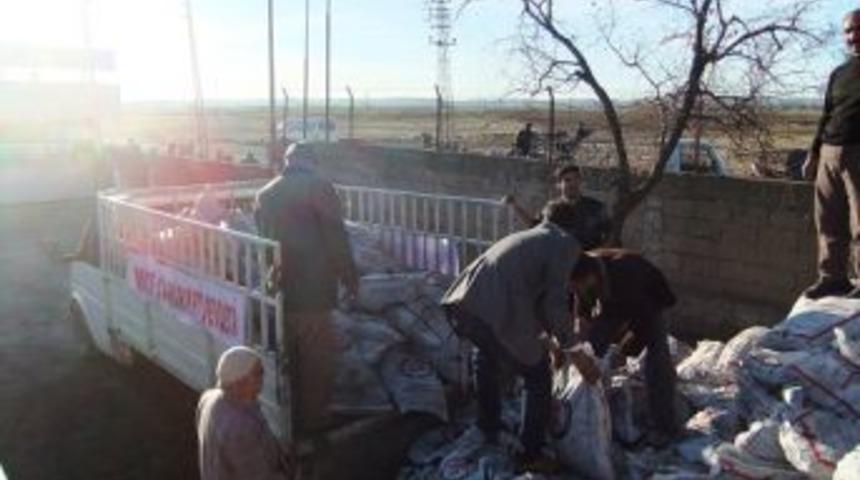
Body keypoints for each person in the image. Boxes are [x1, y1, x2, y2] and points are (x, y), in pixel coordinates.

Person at [441, 199, 601, 470]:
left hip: (462, 302)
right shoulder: (565, 244)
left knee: (488, 358)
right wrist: (576, 353)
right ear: (573, 227)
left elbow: (533, 303)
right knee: (538, 375)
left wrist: (548, 341)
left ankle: (487, 424)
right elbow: (554, 304)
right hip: (492, 309)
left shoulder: (531, 237)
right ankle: (530, 455)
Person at [255, 142, 358, 433]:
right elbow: (335, 237)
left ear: (288, 162)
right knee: (316, 365)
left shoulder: (265, 194)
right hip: (312, 292)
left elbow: (265, 246)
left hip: (278, 291)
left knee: (287, 361)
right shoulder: (320, 188)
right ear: (313, 162)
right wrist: (349, 277)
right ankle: (311, 428)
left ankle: (285, 419)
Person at [569, 248, 678, 445]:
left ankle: (664, 427)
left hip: (652, 300)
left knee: (657, 357)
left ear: (591, 278)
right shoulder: (582, 269)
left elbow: (640, 324)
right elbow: (583, 310)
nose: (576, 289)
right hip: (615, 302)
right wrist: (580, 345)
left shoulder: (627, 276)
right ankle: (581, 406)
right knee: (591, 347)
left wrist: (624, 349)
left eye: (579, 285)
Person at [801, 9, 860, 299]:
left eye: (857, 30)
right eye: (848, 31)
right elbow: (826, 114)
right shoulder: (839, 73)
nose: (853, 37)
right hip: (829, 153)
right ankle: (832, 278)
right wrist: (814, 153)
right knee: (828, 220)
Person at [196, 346, 292, 480]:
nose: (263, 376)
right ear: (240, 381)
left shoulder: (209, 398)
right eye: (258, 372)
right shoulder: (240, 428)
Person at [503, 163, 611, 250]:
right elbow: (535, 226)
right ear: (559, 185)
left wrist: (599, 255)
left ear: (580, 181)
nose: (572, 184)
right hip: (560, 264)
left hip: (590, 263)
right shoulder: (552, 209)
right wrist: (515, 206)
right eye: (567, 180)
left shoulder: (596, 207)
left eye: (576, 179)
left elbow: (610, 233)